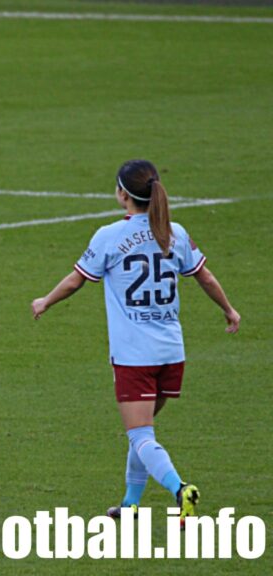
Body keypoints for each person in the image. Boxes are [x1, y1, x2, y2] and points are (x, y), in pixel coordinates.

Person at [31, 159, 240, 521]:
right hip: (172, 352)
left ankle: (181, 490)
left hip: (134, 355)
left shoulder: (110, 235)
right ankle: (130, 505)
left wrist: (45, 301)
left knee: (140, 434)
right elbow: (204, 277)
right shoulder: (174, 231)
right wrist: (229, 309)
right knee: (142, 433)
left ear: (122, 194)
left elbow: (76, 280)